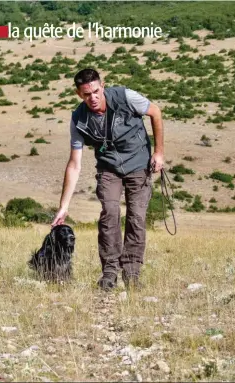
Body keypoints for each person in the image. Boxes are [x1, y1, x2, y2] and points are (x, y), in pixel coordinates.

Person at [51, 68, 164, 291]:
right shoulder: (78, 120)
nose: (92, 98)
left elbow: (156, 112)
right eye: (86, 94)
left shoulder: (125, 96)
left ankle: (131, 273)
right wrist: (63, 207)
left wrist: (159, 152)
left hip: (138, 163)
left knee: (137, 217)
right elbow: (74, 164)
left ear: (102, 86)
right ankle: (109, 273)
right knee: (110, 213)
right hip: (108, 168)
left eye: (95, 91)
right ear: (78, 94)